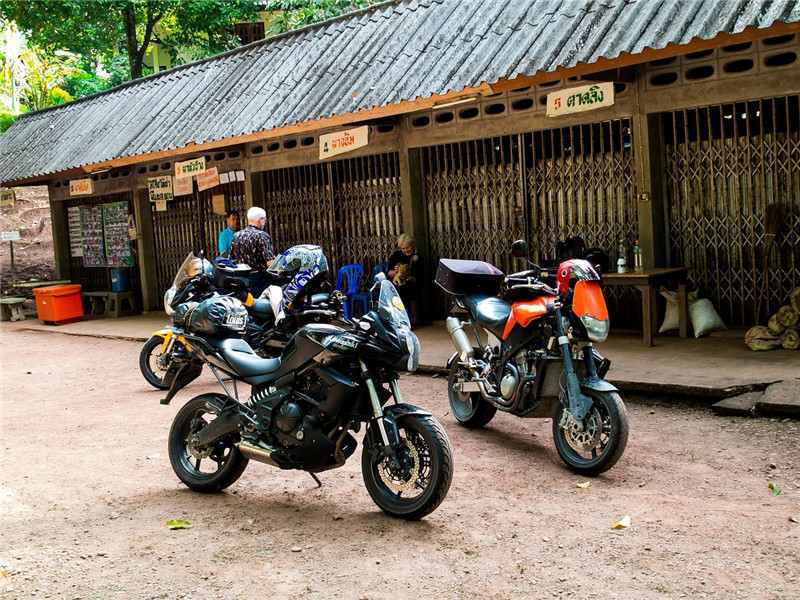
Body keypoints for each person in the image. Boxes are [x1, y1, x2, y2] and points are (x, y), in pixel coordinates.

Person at [230, 206, 276, 298]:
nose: (265, 223)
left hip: (242, 280)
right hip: (260, 280)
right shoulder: (262, 236)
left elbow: (232, 259)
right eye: (264, 220)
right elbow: (270, 263)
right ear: (260, 219)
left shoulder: (237, 236)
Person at [387, 233, 420, 321]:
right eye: (403, 248)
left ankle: (403, 318)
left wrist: (407, 276)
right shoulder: (396, 255)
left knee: (401, 289)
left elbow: (417, 278)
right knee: (392, 288)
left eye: (408, 247)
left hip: (410, 285)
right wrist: (396, 272)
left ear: (412, 245)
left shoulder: (416, 258)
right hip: (396, 283)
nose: (406, 250)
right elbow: (389, 273)